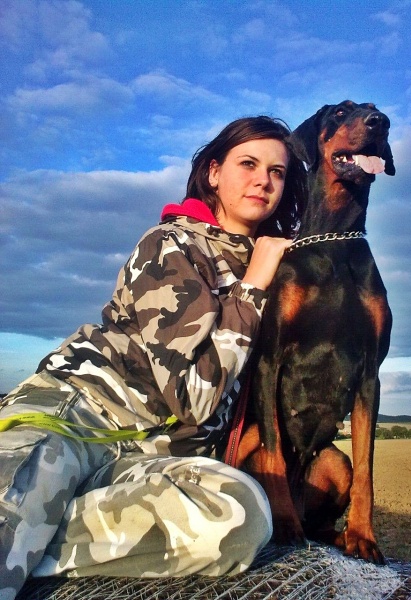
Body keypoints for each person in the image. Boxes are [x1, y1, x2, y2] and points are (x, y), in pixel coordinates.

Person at [0, 116, 306, 599]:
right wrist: (251, 288)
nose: (263, 180)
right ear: (213, 173)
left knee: (239, 515)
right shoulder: (170, 245)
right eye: (248, 164)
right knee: (8, 513)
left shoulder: (272, 267)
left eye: (277, 172)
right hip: (80, 416)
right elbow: (192, 398)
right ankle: (26, 524)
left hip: (148, 457)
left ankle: (39, 529)